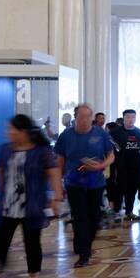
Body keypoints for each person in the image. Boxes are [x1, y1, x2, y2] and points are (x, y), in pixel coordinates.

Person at [0, 115, 65, 278]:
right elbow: (1, 172)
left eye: (12, 130)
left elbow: (53, 172)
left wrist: (57, 197)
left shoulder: (41, 151)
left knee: (31, 244)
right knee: (0, 242)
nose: (8, 133)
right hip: (8, 206)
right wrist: (5, 193)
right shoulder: (5, 150)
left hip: (31, 206)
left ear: (23, 132)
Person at [55, 103, 115, 267]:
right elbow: (60, 160)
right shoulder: (66, 136)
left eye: (88, 117)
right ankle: (84, 254)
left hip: (96, 183)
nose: (85, 120)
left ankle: (82, 242)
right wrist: (58, 184)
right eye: (81, 117)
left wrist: (102, 165)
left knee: (94, 217)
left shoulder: (100, 134)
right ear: (75, 118)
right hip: (74, 183)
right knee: (80, 217)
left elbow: (110, 155)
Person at [113, 110, 140, 220]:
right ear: (123, 118)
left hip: (136, 165)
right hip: (121, 166)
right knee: (119, 189)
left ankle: (129, 211)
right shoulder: (116, 132)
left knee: (132, 189)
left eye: (133, 117)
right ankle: (116, 212)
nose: (131, 119)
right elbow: (112, 147)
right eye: (128, 117)